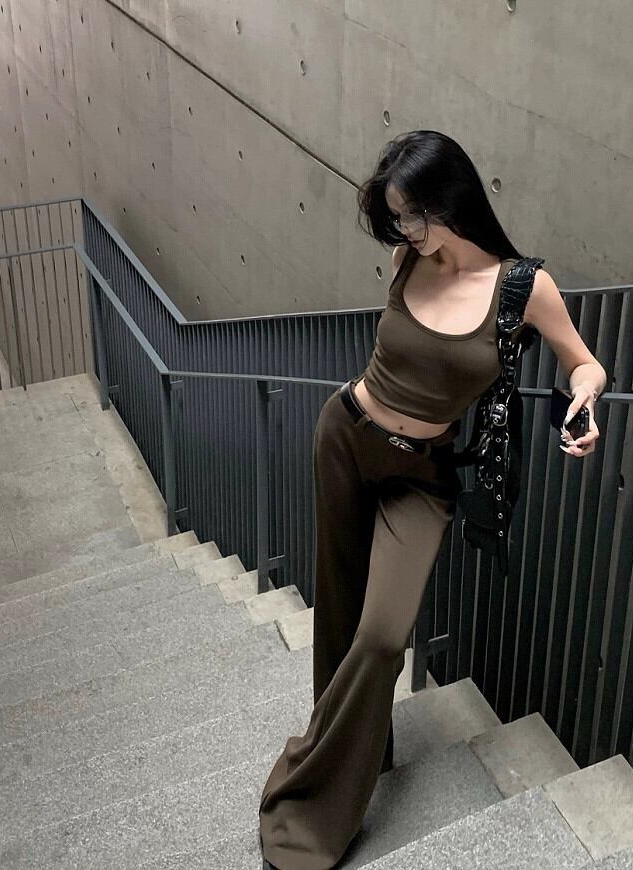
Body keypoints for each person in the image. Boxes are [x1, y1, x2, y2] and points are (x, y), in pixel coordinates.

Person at [258, 130, 607, 870]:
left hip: (423, 477)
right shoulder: (405, 259)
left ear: (452, 199)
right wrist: (407, 237)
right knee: (339, 608)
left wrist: (584, 402)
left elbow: (585, 364)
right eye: (395, 217)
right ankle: (362, 749)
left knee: (384, 636)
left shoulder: (524, 288)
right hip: (346, 436)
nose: (404, 231)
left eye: (413, 214)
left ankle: (309, 803)